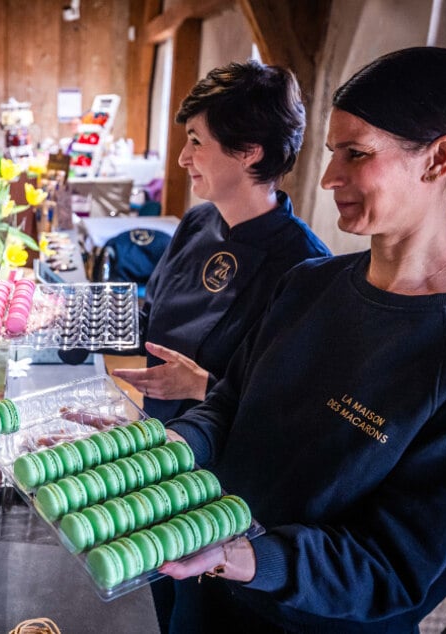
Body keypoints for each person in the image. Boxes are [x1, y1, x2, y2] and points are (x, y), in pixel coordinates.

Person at [159, 46, 446, 634]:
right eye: (330, 152)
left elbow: (395, 565)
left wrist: (247, 556)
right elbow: (228, 409)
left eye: (356, 153)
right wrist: (162, 446)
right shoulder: (308, 285)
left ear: (440, 159)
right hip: (206, 585)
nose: (327, 178)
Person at [83, 60, 330, 633]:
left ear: (248, 152)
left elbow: (288, 414)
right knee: (152, 601)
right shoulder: (198, 224)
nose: (182, 158)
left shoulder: (304, 266)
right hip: (154, 452)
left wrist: (202, 387)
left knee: (192, 609)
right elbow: (155, 315)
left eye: (196, 141)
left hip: (219, 489)